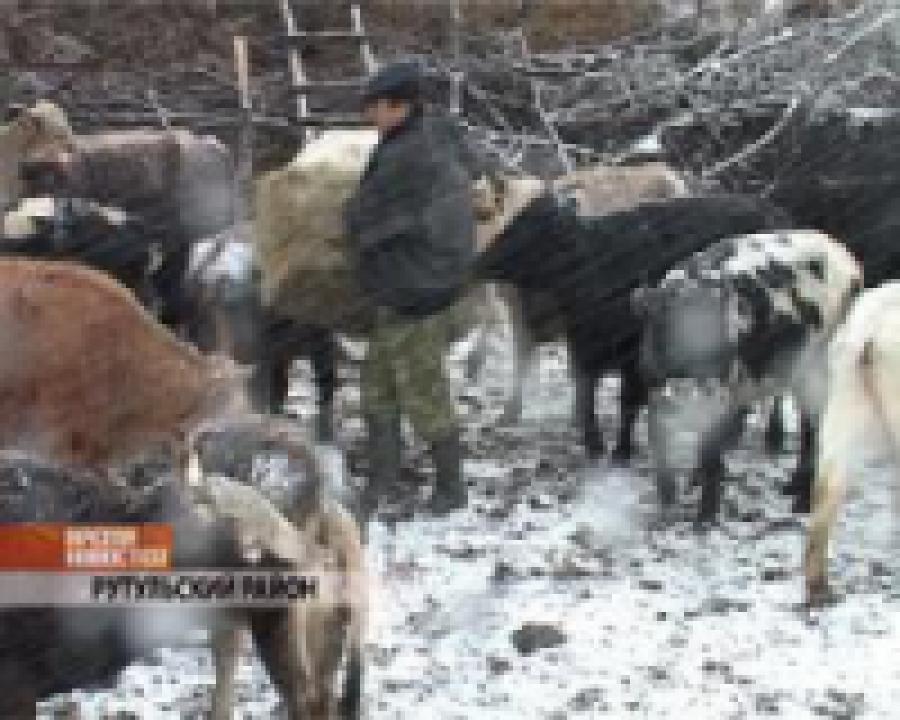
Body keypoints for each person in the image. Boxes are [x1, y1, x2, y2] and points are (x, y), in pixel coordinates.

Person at [344, 60, 475, 516]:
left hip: (415, 288)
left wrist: (353, 225)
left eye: (374, 106)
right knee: (377, 384)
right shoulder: (424, 139)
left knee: (422, 388)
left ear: (398, 105)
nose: (368, 115)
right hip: (406, 284)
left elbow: (370, 219)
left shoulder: (411, 155)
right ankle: (384, 478)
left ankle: (451, 488)